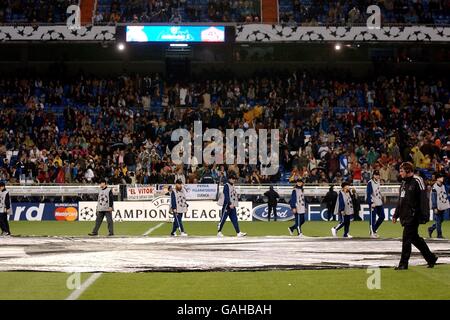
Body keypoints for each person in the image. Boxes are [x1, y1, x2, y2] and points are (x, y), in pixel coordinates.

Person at [393, 162, 438, 270]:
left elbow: (423, 199)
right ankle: (431, 258)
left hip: (414, 216)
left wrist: (424, 215)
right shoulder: (403, 183)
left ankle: (403, 264)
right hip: (406, 216)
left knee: (406, 239)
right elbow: (401, 200)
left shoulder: (418, 181)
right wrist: (396, 214)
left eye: (402, 171)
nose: (400, 173)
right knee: (415, 239)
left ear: (408, 171)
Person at [428, 172, 449, 239]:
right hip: (437, 206)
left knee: (441, 220)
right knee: (438, 220)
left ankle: (431, 228)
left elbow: (444, 195)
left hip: (441, 206)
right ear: (437, 179)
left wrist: (445, 205)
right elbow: (433, 198)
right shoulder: (434, 187)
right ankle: (439, 235)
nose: (442, 178)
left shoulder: (442, 186)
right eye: (441, 177)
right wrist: (435, 208)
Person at [366, 170, 385, 238]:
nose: (377, 176)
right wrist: (371, 202)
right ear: (373, 175)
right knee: (372, 218)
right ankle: (372, 232)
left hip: (379, 201)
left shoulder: (378, 181)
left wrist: (381, 196)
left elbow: (378, 191)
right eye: (376, 175)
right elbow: (369, 193)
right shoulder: (370, 182)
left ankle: (373, 230)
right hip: (373, 202)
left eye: (378, 175)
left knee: (382, 216)